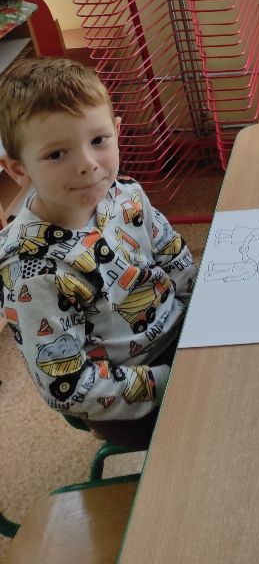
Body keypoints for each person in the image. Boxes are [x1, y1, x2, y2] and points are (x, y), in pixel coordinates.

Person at [0, 57, 197, 447]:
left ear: (116, 132)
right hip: (130, 395)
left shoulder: (125, 195)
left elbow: (174, 258)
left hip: (181, 336)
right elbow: (68, 387)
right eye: (57, 154)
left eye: (98, 141)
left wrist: (209, 315)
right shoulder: (32, 271)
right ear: (19, 170)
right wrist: (174, 380)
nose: (88, 166)